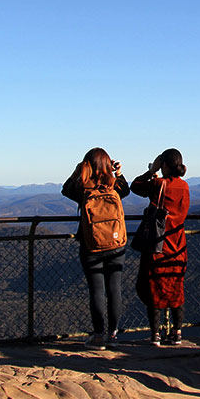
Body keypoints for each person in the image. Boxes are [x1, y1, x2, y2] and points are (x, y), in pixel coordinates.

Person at [61, 147, 130, 350]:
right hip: (117, 245)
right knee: (114, 288)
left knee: (97, 291)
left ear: (87, 165)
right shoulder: (114, 186)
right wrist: (118, 172)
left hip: (91, 245)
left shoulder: (83, 188)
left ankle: (98, 337)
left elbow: (65, 189)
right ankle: (113, 334)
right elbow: (126, 190)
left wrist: (79, 170)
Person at [131, 148, 190, 346]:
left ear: (164, 165)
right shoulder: (185, 186)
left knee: (154, 289)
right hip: (178, 244)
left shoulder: (159, 184)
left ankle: (155, 334)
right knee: (176, 288)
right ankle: (177, 332)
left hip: (158, 245)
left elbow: (136, 186)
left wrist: (151, 171)